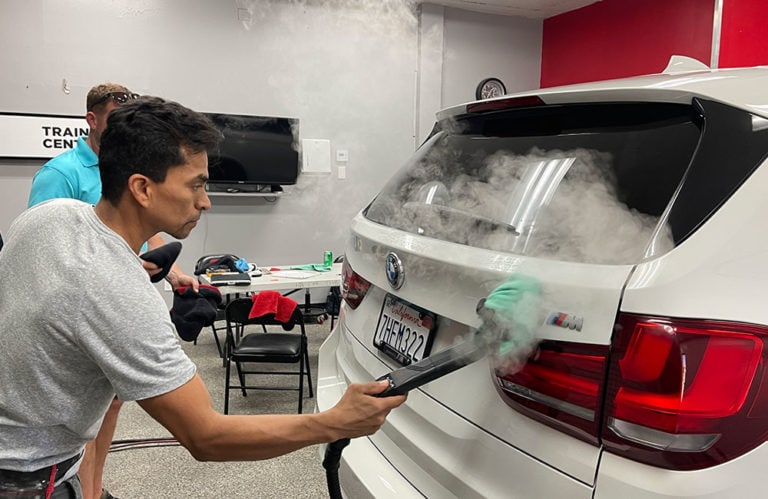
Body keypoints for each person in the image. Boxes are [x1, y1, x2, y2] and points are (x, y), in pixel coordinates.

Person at [0, 96, 406, 498]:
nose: (205, 201)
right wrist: (336, 422)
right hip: (29, 480)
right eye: (195, 185)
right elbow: (206, 436)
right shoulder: (117, 290)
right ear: (142, 188)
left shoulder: (47, 217)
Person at [26, 83, 199, 499]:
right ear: (91, 119)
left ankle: (92, 488)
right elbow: (44, 251)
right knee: (82, 406)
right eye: (114, 117)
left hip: (120, 303)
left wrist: (173, 272)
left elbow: (142, 231)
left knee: (111, 403)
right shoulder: (61, 174)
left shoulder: (130, 168)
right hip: (76, 318)